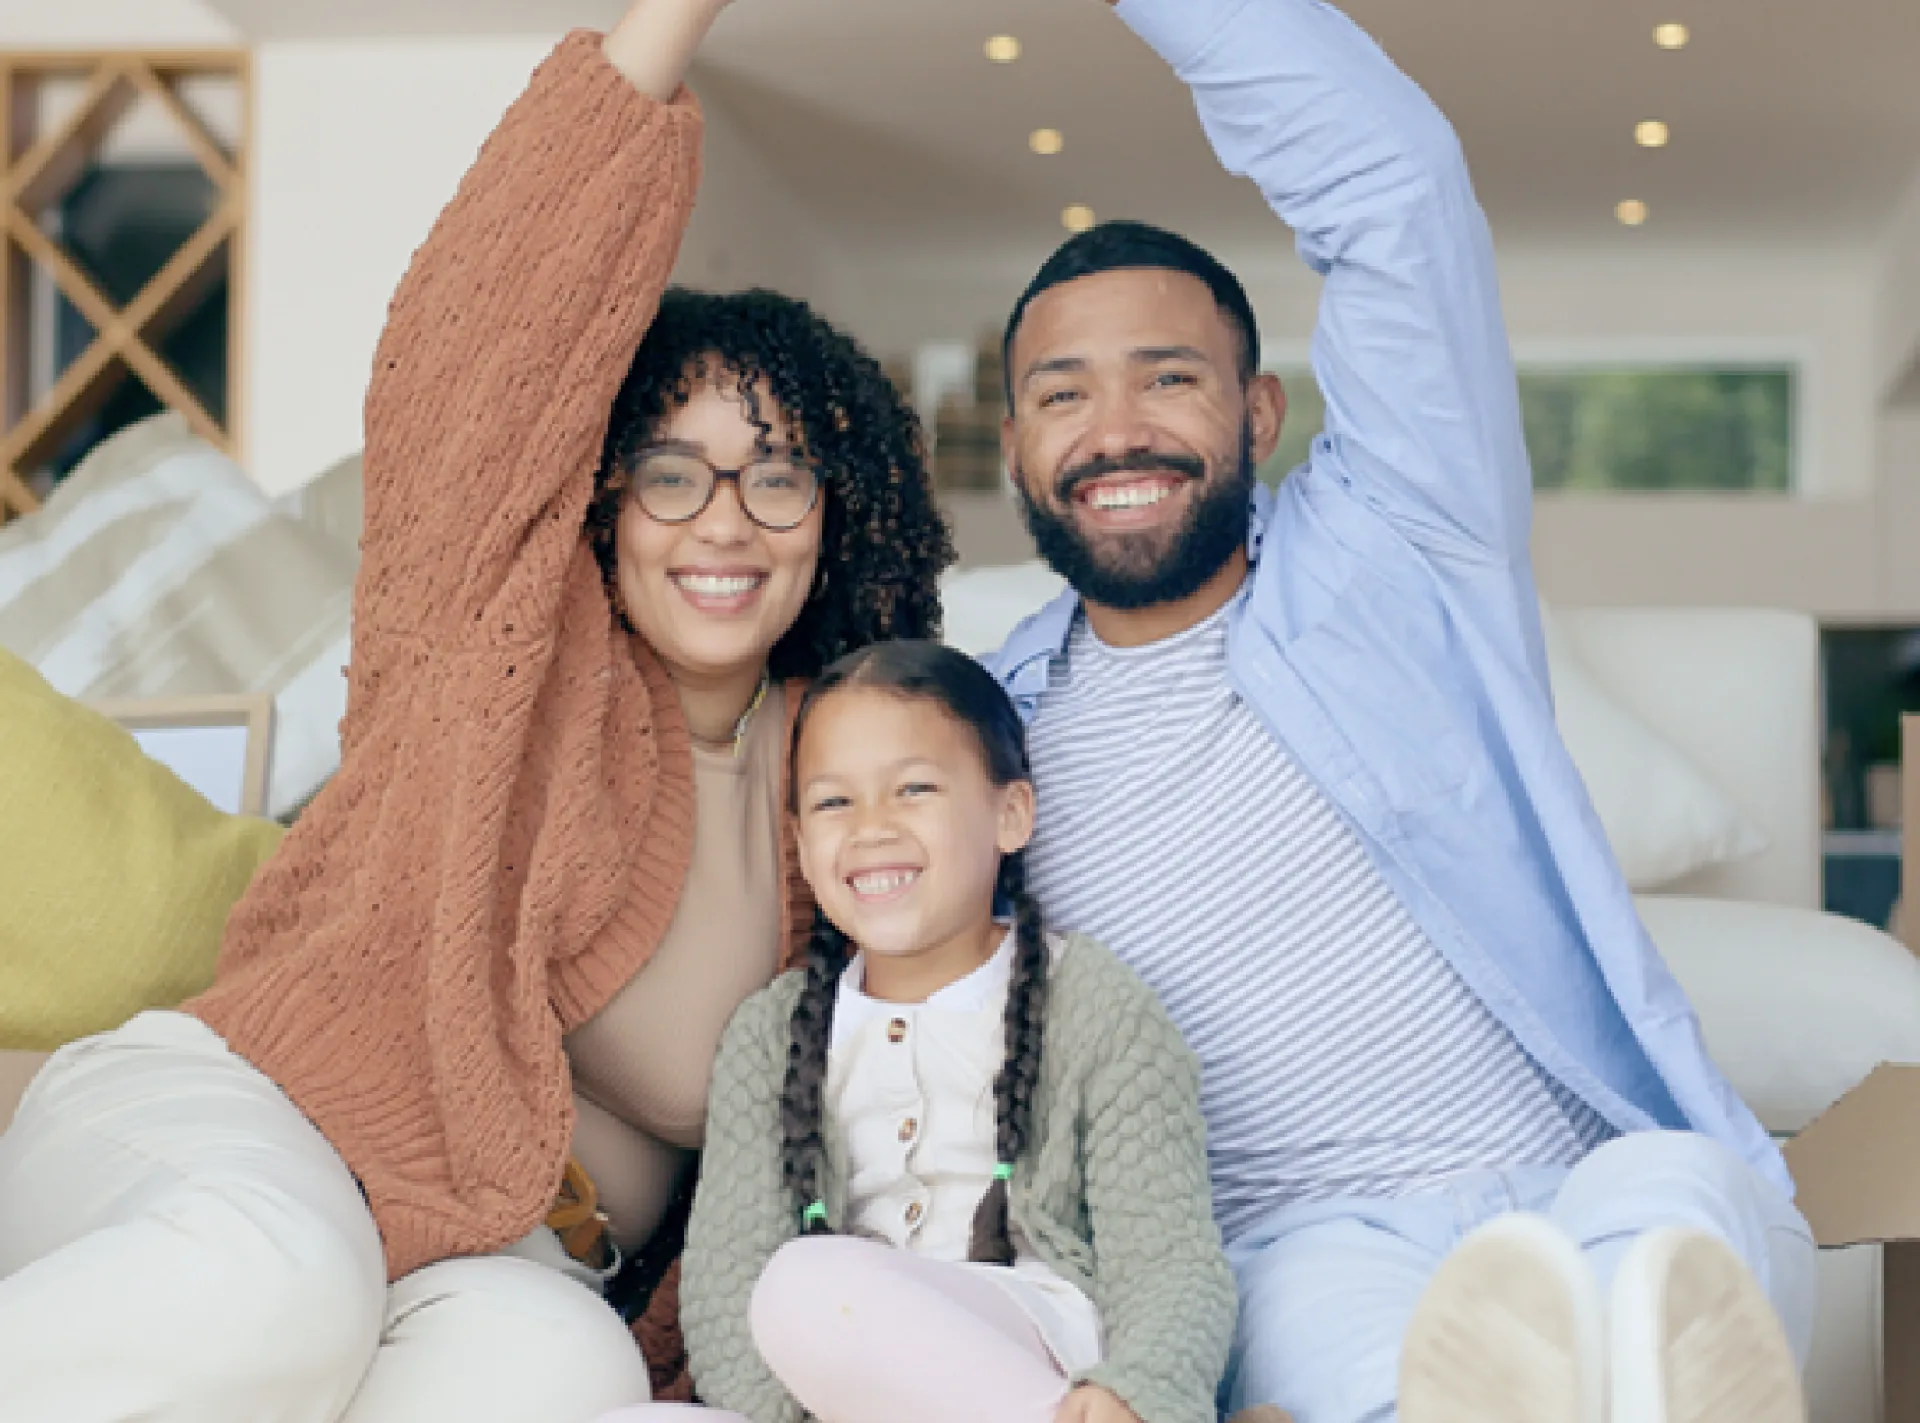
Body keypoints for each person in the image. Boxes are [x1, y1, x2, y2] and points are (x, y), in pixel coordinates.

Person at [0, 0, 952, 1418]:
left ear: (837, 512)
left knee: (564, 1379)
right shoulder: (503, 649)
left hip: (522, 1258)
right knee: (274, 1283)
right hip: (253, 1124)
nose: (726, 519)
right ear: (605, 503)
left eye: (780, 472)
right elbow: (473, 350)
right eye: (671, 470)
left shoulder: (847, 771)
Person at [987, 2, 1813, 1421]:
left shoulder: (1404, 547)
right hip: (1306, 1247)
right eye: (1063, 394)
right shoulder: (988, 734)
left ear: (1259, 414)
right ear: (1013, 444)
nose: (1114, 429)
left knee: (1678, 1212)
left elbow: (1397, 183)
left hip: (1588, 1169)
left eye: (1167, 379)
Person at [597, 640, 1235, 1423]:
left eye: (914, 788)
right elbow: (729, 1282)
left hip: (1031, 1357)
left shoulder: (1095, 1004)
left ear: (1011, 813)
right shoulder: (775, 1032)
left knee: (813, 1286)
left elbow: (1170, 1259)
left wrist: (1140, 1391)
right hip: (830, 1383)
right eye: (834, 803)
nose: (871, 828)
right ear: (799, 842)